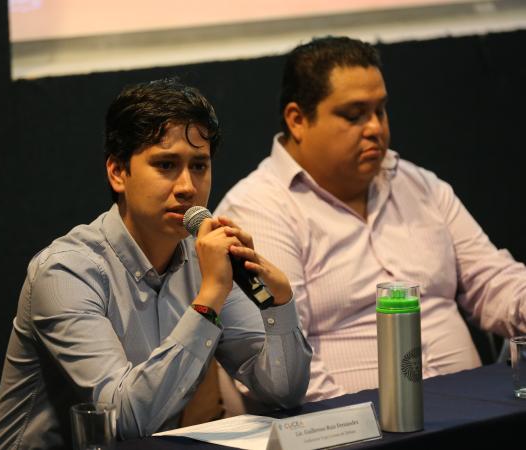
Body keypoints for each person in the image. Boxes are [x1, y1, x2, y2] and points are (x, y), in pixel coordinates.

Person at [0, 79, 312, 449]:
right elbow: (125, 420)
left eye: (199, 166)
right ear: (117, 173)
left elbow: (283, 393)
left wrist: (278, 305)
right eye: (166, 165)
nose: (187, 186)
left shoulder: (203, 262)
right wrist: (209, 300)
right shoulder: (65, 273)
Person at [215, 36, 526, 402]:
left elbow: (493, 282)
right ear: (297, 120)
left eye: (381, 110)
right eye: (354, 115)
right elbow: (280, 362)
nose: (376, 128)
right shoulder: (257, 210)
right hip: (359, 421)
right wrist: (358, 425)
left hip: (480, 409)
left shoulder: (420, 186)